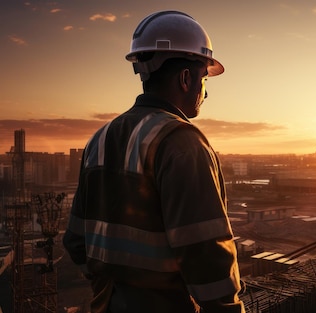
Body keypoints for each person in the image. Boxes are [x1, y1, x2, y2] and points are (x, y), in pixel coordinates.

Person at [63, 10, 245, 313]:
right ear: (186, 79)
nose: (205, 91)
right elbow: (206, 257)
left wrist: (118, 286)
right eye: (203, 78)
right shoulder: (182, 142)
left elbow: (75, 241)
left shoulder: (100, 138)